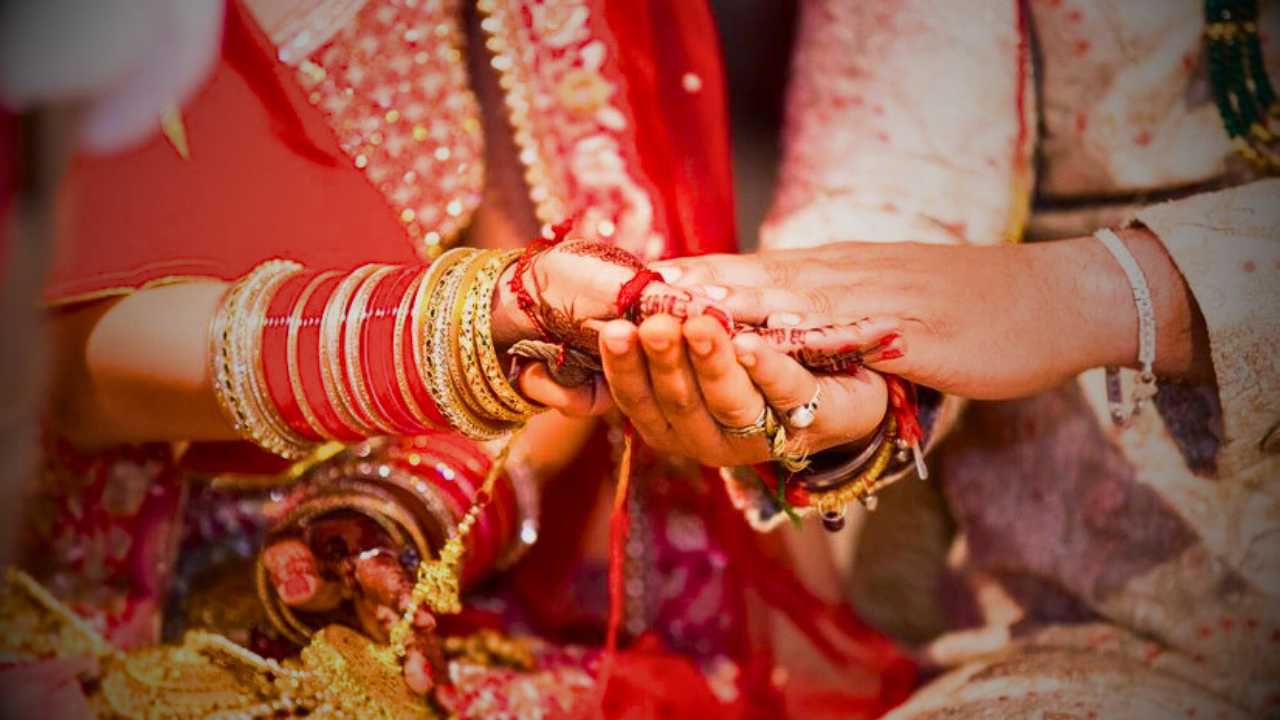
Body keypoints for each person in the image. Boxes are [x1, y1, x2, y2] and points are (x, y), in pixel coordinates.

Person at [2, 0, 914, 717]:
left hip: (425, 573)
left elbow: (563, 327)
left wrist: (417, 499)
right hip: (110, 595)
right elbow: (74, 369)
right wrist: (481, 317)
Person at [599, 0, 1279, 717]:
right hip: (1072, 611)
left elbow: (1000, 304)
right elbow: (894, 174)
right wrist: (846, 393)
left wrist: (1103, 294)